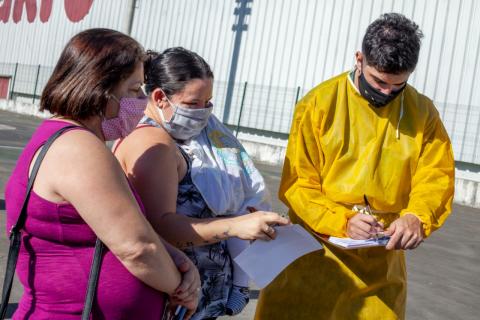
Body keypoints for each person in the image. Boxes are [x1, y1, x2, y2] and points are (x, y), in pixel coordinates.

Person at [255, 13, 455, 320]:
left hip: (381, 263)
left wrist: (417, 216)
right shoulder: (319, 104)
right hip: (313, 252)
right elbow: (298, 184)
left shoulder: (423, 112)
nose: (386, 93)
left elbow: (436, 176)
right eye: (378, 81)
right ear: (359, 59)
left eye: (397, 85)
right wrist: (343, 221)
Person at [5, 29, 200, 319]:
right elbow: (136, 248)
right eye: (134, 90)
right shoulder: (78, 148)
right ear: (102, 90)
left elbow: (118, 228)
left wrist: (174, 256)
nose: (141, 101)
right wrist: (183, 289)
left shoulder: (72, 140)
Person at [113, 47, 290, 319]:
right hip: (171, 298)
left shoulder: (188, 135)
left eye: (208, 102)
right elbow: (160, 227)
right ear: (160, 97)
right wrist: (235, 226)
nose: (203, 112)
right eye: (193, 103)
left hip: (195, 298)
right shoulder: (153, 143)